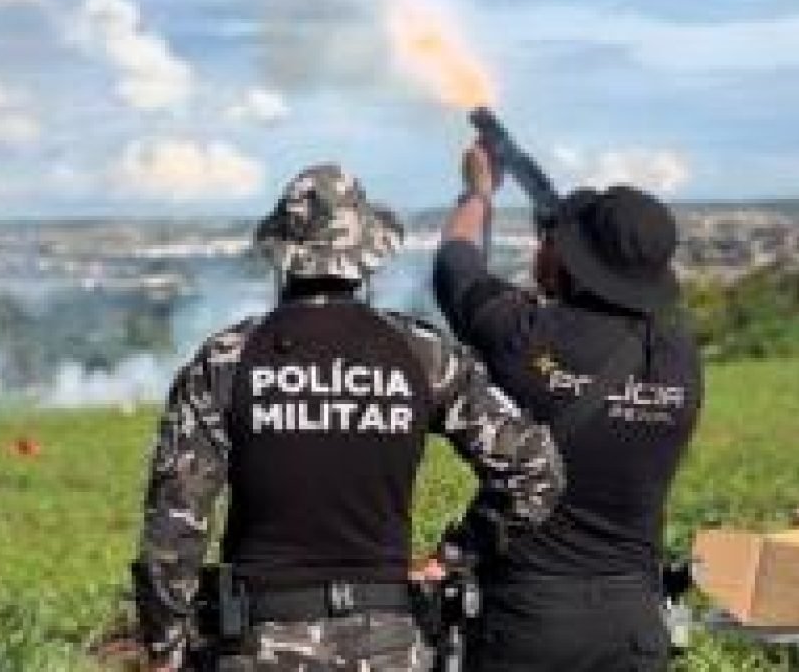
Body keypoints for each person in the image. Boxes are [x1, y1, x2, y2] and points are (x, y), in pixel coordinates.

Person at [131, 163, 564, 671]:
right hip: (391, 646)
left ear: (281, 258)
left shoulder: (228, 359)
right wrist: (452, 558)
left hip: (261, 643)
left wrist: (165, 646)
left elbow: (174, 523)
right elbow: (536, 471)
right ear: (368, 259)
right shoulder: (422, 354)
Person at [431, 145, 704, 671]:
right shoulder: (679, 358)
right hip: (635, 621)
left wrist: (479, 192)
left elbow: (456, 267)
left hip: (530, 619)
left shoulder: (526, 336)